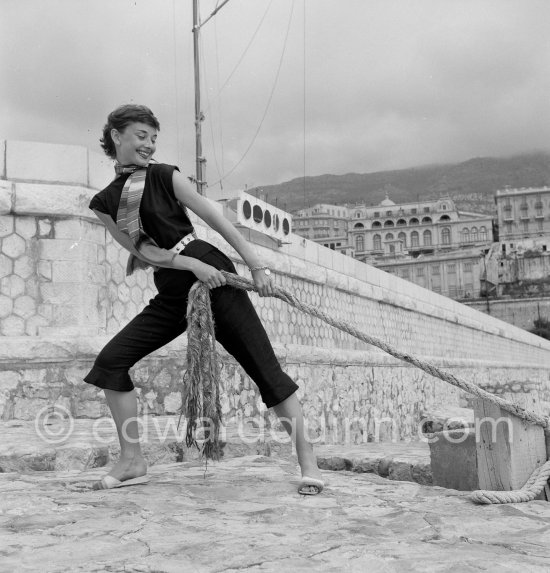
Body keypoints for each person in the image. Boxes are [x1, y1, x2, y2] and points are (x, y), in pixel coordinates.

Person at [85, 104, 324, 495]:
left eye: (153, 138)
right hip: (175, 285)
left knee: (265, 370)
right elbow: (141, 250)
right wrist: (188, 266)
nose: (148, 145)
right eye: (141, 136)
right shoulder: (104, 202)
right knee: (111, 361)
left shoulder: (164, 175)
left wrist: (256, 267)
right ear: (116, 136)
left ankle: (307, 460)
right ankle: (132, 460)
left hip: (215, 278)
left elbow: (217, 219)